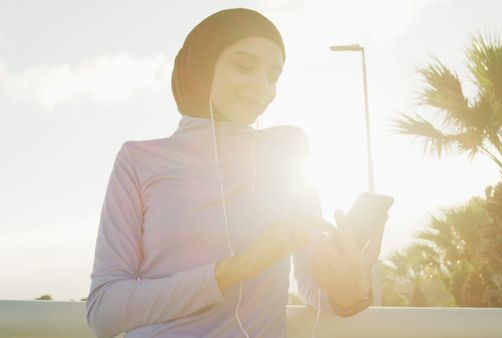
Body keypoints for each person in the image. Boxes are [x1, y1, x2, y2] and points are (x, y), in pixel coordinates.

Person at [86, 8, 386, 338]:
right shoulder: (139, 160)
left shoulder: (285, 149)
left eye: (273, 75)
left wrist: (346, 293)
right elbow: (104, 311)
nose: (263, 86)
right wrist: (235, 269)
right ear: (201, 66)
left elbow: (311, 283)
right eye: (244, 66)